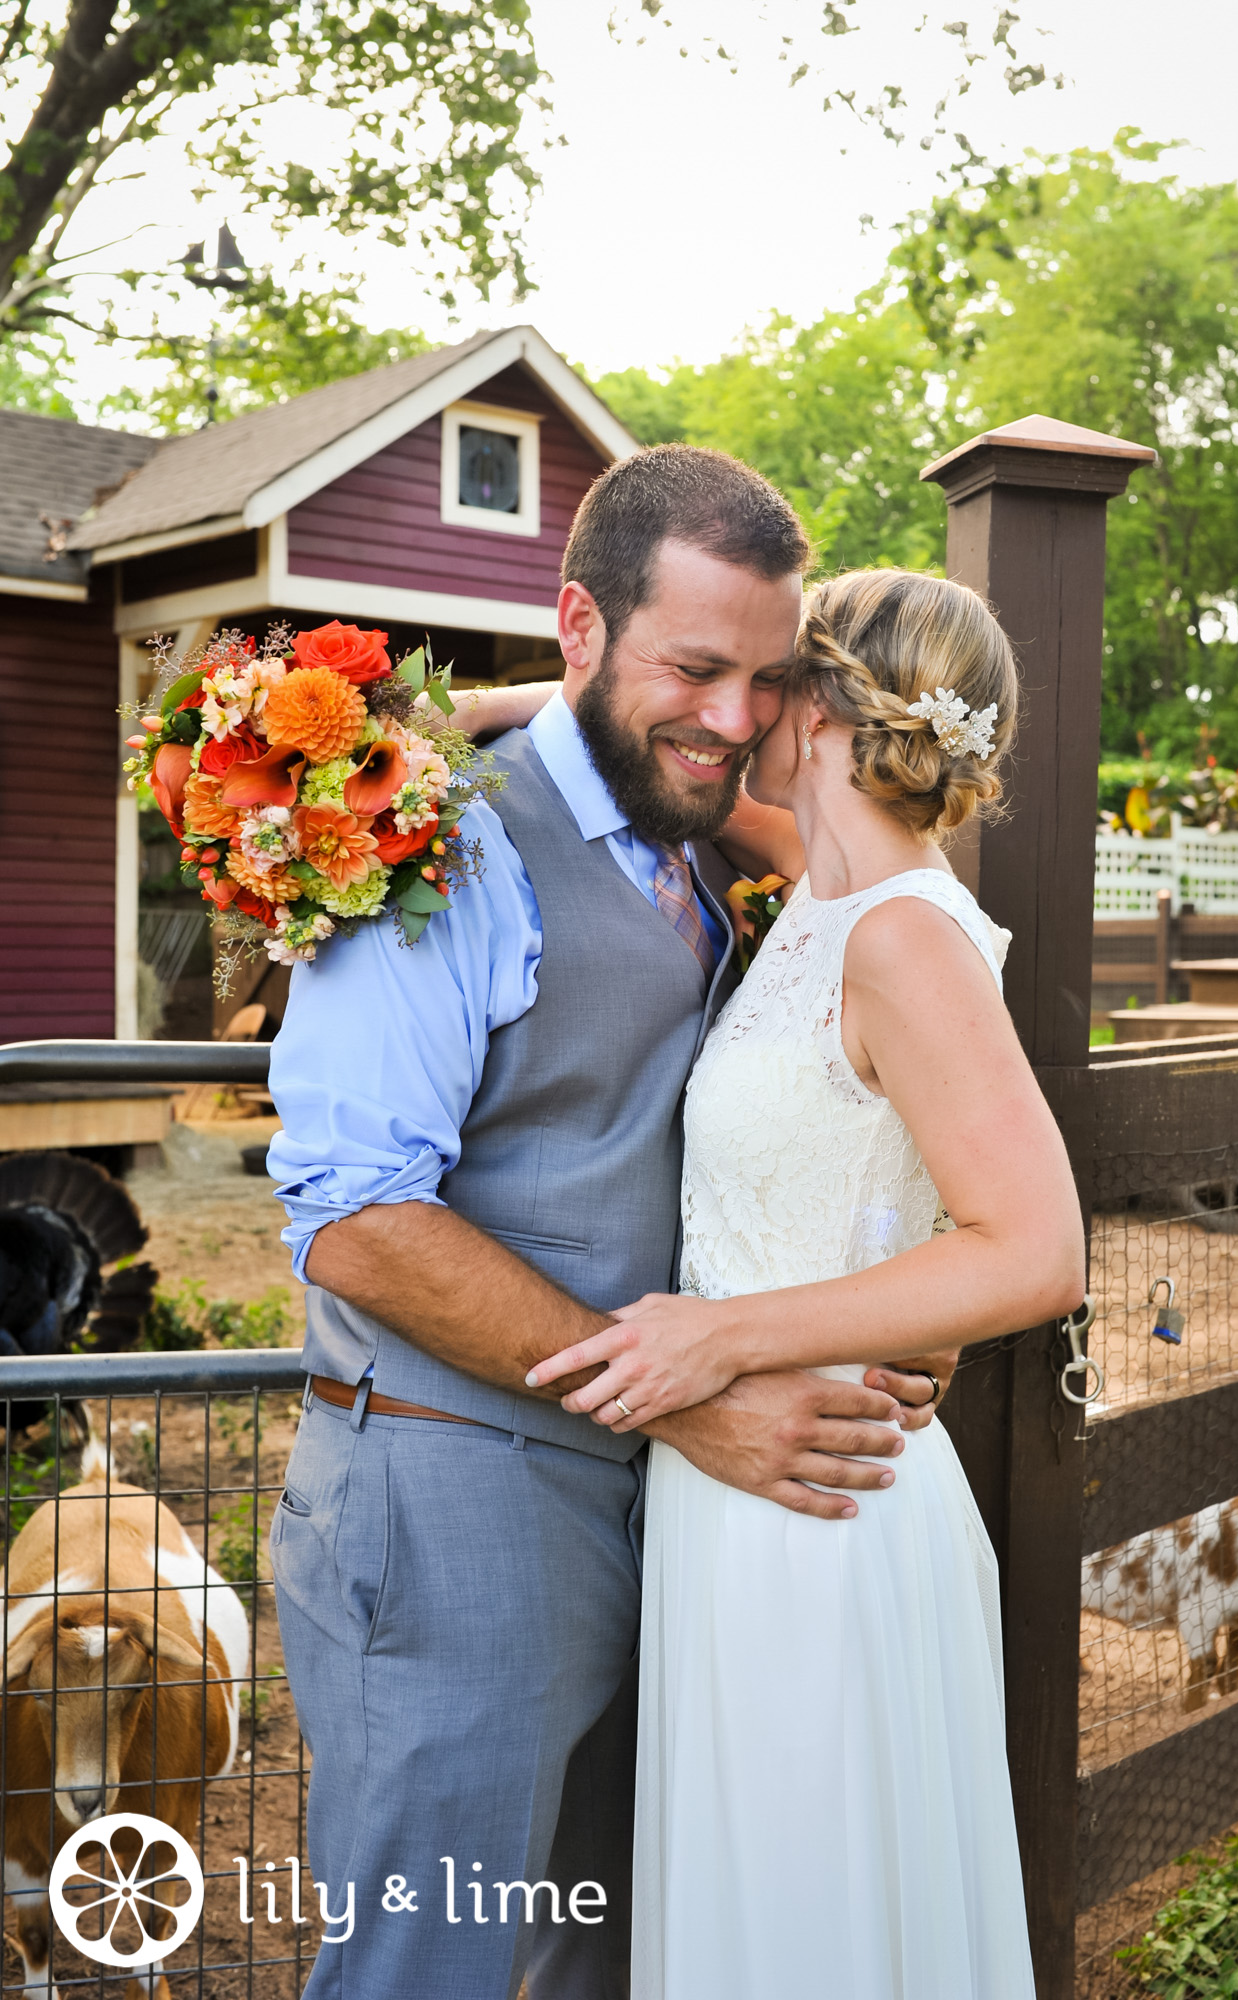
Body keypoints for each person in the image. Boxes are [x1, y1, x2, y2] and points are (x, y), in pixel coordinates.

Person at [265, 447, 955, 2000]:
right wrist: (691, 1394)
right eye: (694, 668)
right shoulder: (438, 846)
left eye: (768, 680)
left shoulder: (689, 838)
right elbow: (360, 1218)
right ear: (580, 626)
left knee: (612, 1964)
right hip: (449, 1513)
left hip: (643, 1519)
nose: (733, 718)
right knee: (421, 1974)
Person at [525, 567, 1087, 1998]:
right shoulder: (828, 886)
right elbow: (645, 739)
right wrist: (468, 710)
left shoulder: (904, 935)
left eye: (771, 678)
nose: (734, 709)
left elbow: (1033, 1249)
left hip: (821, 1511)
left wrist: (721, 1336)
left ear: (824, 705)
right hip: (736, 1495)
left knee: (809, 1918)